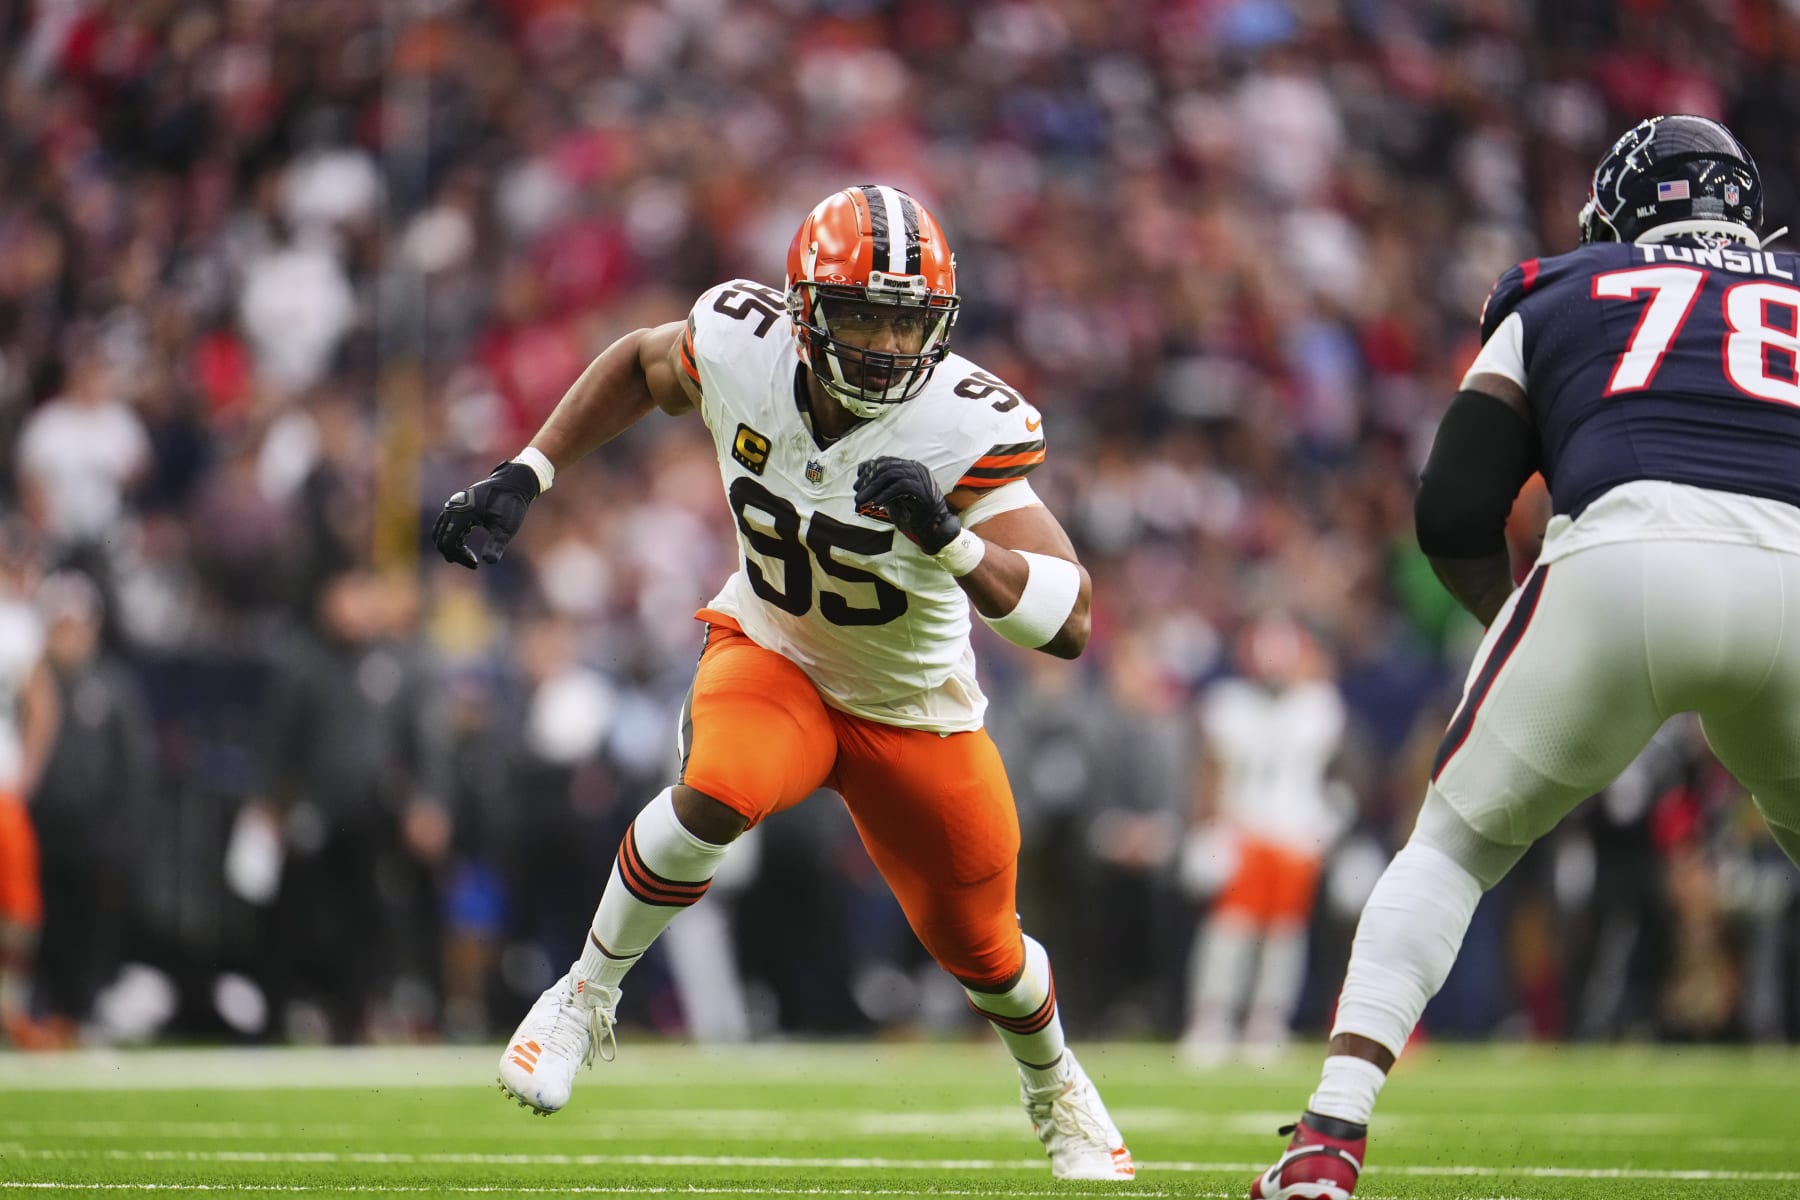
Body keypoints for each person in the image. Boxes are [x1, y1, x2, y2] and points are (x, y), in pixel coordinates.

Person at [433, 185, 1135, 1181]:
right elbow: (642, 361)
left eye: (907, 320)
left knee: (987, 951)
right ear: (805, 314)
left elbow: (1071, 620)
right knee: (718, 790)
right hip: (776, 653)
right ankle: (584, 996)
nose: (889, 344)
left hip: (914, 712)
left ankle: (1054, 1084)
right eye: (863, 315)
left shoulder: (962, 425)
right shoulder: (738, 342)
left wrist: (951, 538)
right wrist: (528, 471)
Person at [1252, 113, 1800, 1199]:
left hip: (1622, 562)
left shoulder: (1561, 287)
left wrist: (1518, 628)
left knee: (1452, 846)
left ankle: (1328, 1140)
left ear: (1621, 216)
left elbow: (1455, 505)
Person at [1180, 613, 1348, 1066]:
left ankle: (1266, 1021)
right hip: (1244, 829)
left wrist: (1332, 818)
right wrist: (1206, 826)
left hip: (1296, 833)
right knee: (1231, 930)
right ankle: (1212, 1018)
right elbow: (1209, 772)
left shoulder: (1319, 704)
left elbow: (1339, 770)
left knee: (1283, 935)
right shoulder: (1229, 704)